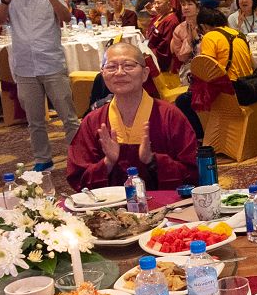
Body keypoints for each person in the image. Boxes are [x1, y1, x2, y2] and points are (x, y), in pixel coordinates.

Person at [0, 0, 82, 172]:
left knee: (68, 116)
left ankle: (78, 155)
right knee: (34, 120)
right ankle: (43, 158)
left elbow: (66, 18)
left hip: (51, 63)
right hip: (25, 67)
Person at [67, 42, 198, 191]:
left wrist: (153, 161)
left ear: (145, 74)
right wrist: (107, 163)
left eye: (128, 65)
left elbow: (193, 173)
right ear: (103, 74)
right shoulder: (93, 121)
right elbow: (78, 178)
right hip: (111, 205)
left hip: (166, 202)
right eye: (111, 67)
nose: (119, 73)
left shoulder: (169, 116)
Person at [176, 7, 257, 139]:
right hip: (247, 87)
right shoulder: (238, 34)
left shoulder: (210, 36)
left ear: (203, 26)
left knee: (183, 100)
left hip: (229, 92)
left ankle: (202, 137)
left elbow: (206, 68)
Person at [145, 0, 179, 73]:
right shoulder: (161, 15)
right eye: (155, 3)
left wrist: (150, 53)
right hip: (150, 47)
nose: (156, 6)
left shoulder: (171, 21)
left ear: (168, 4)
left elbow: (165, 45)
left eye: (159, 3)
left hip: (160, 57)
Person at [170, 0, 203, 77]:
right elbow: (180, 57)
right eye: (183, 5)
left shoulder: (205, 25)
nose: (186, 7)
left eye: (190, 4)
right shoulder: (179, 29)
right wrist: (188, 41)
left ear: (198, 8)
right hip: (188, 69)